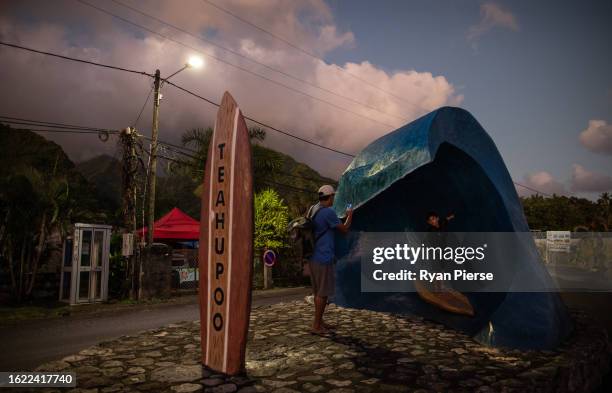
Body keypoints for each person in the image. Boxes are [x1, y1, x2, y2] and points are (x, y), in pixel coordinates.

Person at [308, 184, 352, 334]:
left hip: (313, 257)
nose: (334, 199)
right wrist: (349, 215)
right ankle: (316, 326)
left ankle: (320, 321)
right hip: (323, 257)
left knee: (317, 292)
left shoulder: (314, 209)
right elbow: (344, 229)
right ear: (331, 197)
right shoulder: (328, 212)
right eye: (334, 196)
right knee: (323, 293)